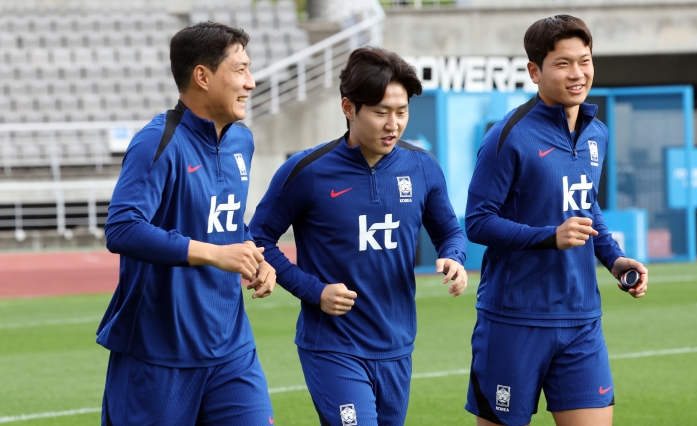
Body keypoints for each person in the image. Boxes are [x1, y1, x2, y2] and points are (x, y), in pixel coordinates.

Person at [249, 46, 468, 426]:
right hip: (333, 346)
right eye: (381, 112)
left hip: (397, 345)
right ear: (349, 108)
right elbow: (260, 239)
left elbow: (450, 231)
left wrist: (454, 257)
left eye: (401, 112)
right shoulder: (305, 171)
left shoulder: (422, 167)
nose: (393, 124)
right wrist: (314, 291)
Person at [464, 15, 649, 426]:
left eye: (584, 60)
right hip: (515, 321)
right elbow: (477, 222)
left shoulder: (596, 133)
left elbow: (587, 208)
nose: (577, 73)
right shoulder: (507, 135)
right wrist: (549, 236)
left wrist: (615, 260)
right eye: (563, 63)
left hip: (582, 320)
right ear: (535, 71)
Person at [97, 22, 276, 425]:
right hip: (159, 355)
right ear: (202, 76)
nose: (250, 82)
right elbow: (122, 227)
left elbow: (226, 224)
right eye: (240, 69)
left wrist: (255, 257)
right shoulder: (157, 141)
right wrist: (214, 254)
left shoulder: (241, 141)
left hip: (232, 350)